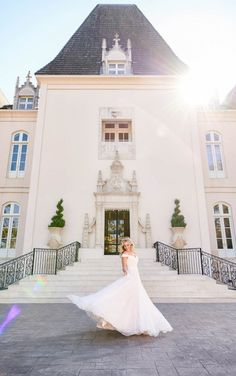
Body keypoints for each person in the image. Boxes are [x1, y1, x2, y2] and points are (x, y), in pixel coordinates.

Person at [67, 237, 173, 337]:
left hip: (137, 277)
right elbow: (124, 267)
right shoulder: (125, 254)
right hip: (131, 277)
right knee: (125, 297)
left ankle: (139, 325)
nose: (126, 247)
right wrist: (128, 276)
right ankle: (113, 318)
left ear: (131, 244)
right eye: (125, 245)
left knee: (137, 300)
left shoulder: (134, 253)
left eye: (128, 245)